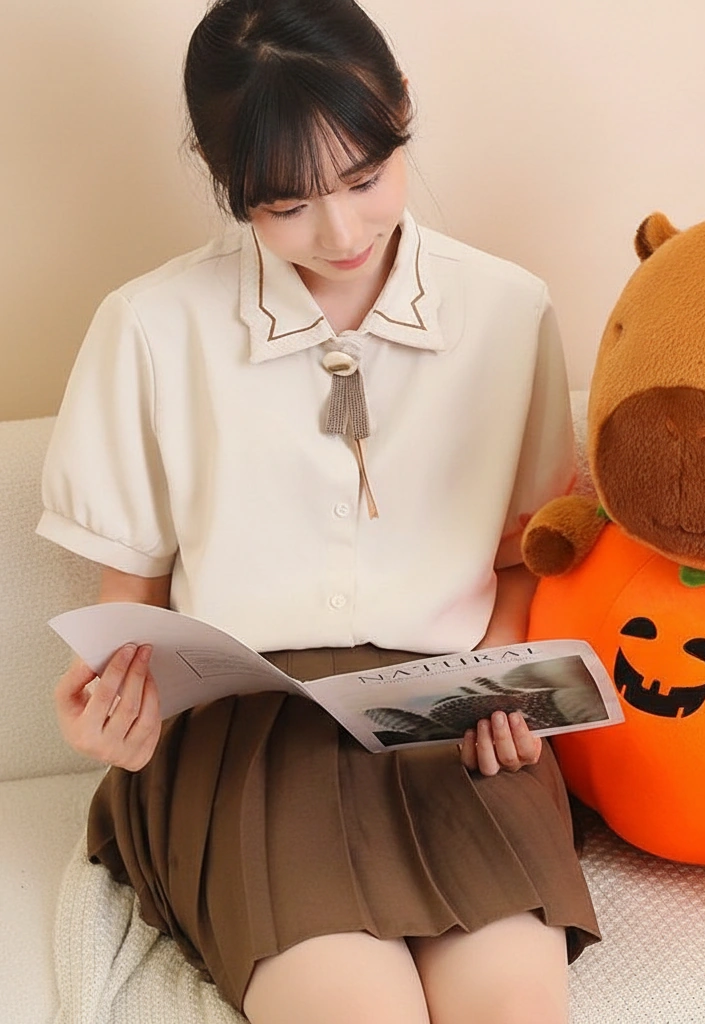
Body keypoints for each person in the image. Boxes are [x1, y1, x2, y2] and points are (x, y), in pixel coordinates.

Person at [37, 0, 600, 1020]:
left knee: (514, 1008)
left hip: (454, 727)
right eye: (287, 204)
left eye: (365, 177)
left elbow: (526, 554)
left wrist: (502, 691)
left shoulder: (508, 310)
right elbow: (130, 620)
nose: (339, 232)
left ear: (402, 116)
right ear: (229, 187)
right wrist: (108, 713)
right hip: (251, 737)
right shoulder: (150, 328)